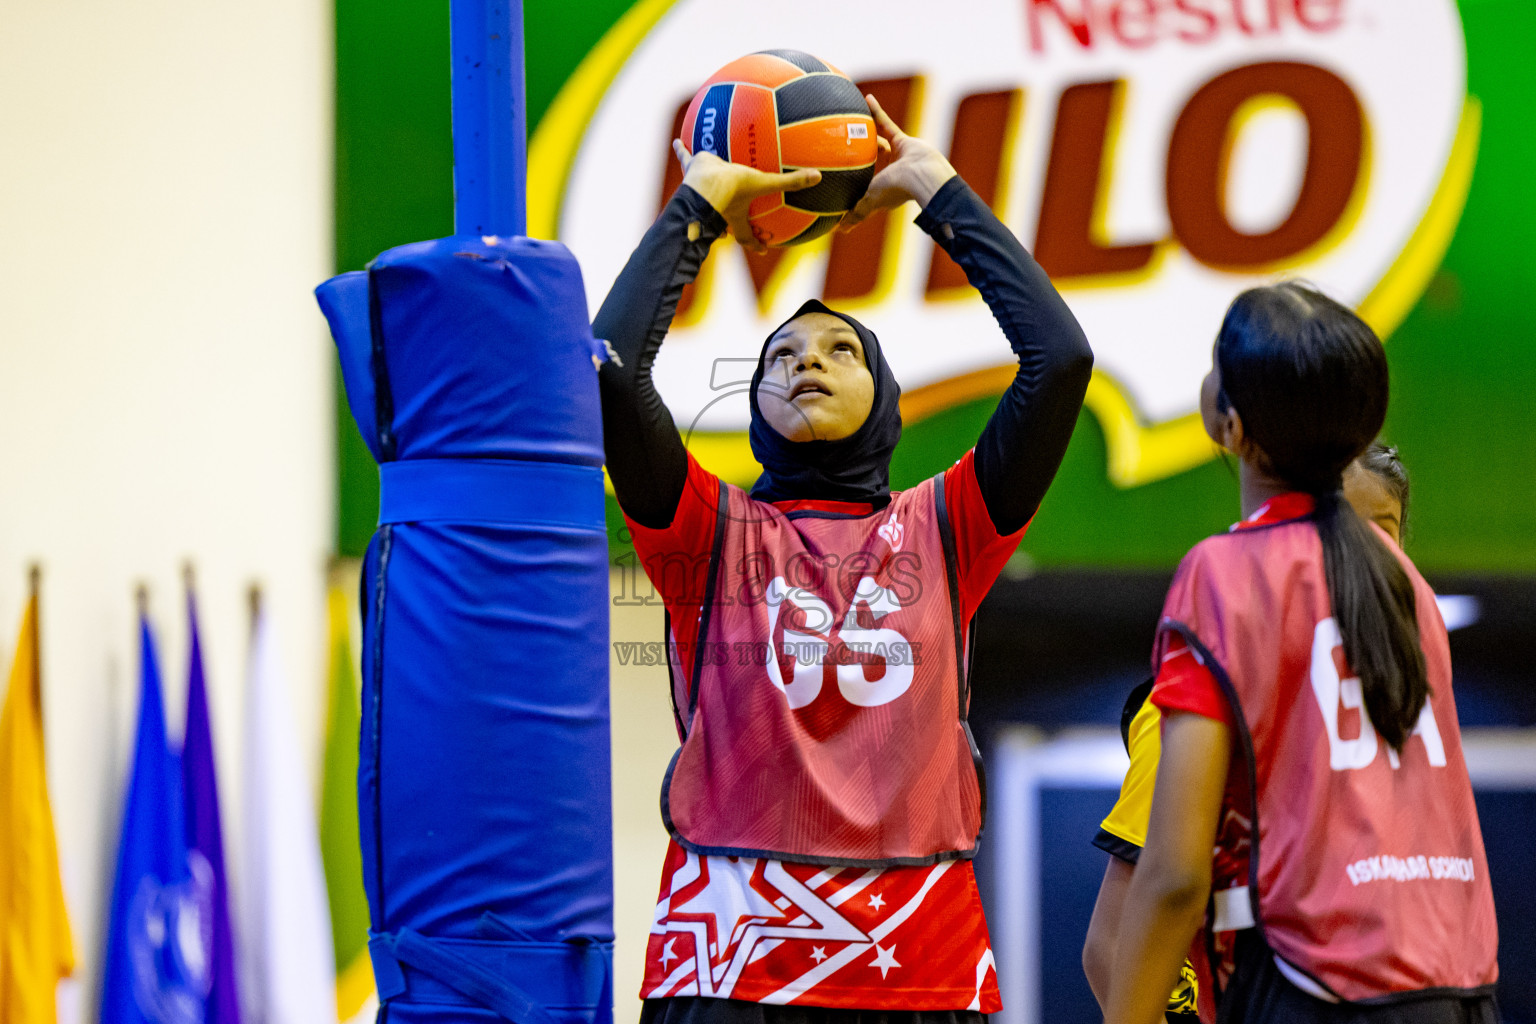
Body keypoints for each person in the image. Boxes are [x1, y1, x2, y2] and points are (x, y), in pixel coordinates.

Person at [595, 95, 1093, 1022]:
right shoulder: (708, 532)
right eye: (780, 354)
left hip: (923, 963)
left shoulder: (951, 524)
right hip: (727, 961)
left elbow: (1058, 359)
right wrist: (699, 203)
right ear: (754, 404)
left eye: (839, 351)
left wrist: (935, 191)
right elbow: (611, 372)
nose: (804, 362)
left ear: (887, 401)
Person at [1100, 284, 1498, 1023]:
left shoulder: (1225, 571)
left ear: (1230, 423)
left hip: (1318, 991)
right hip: (1462, 990)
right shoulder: (1406, 579)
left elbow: (1175, 877)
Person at [1082, 441, 1415, 1021]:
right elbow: (1111, 948)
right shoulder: (1194, 705)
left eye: (1381, 535)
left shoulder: (1392, 713)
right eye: (1335, 534)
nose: (1359, 560)